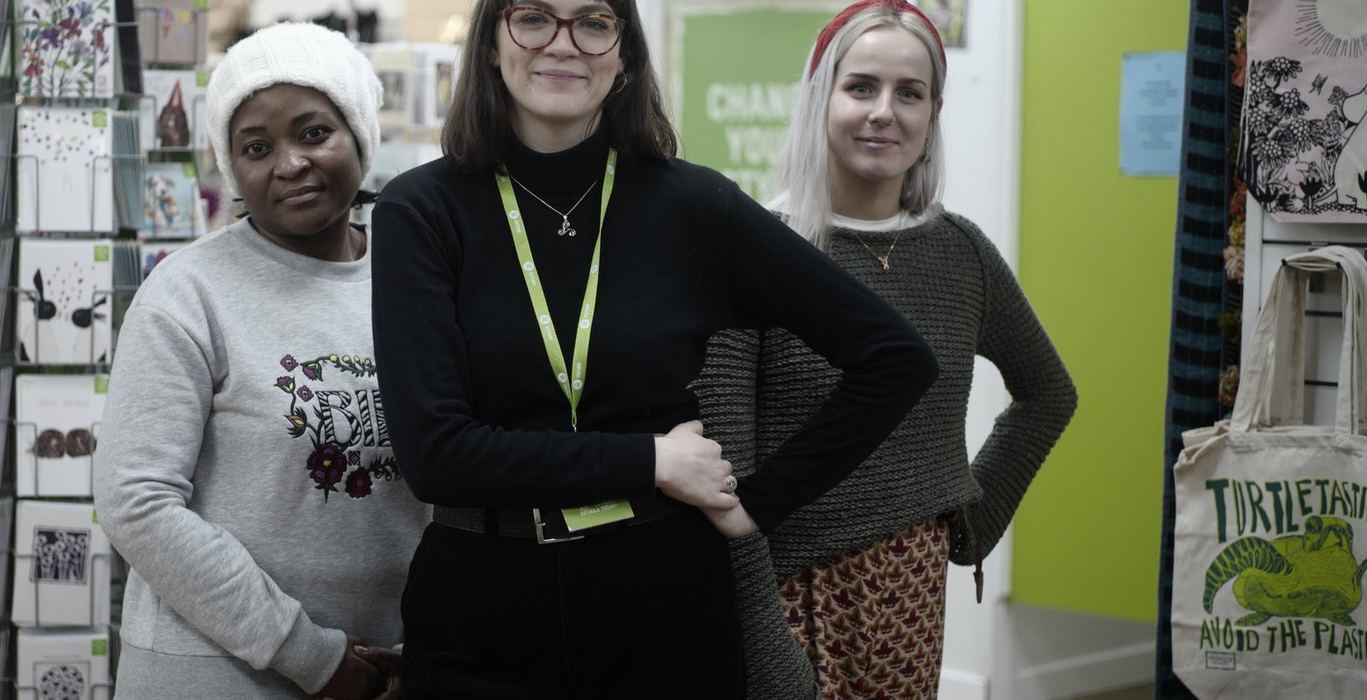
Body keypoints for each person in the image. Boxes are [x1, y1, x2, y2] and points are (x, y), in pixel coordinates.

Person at [368, 0, 941, 696]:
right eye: (534, 17)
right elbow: (436, 456)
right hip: (483, 604)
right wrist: (651, 459)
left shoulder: (692, 205)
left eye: (593, 22)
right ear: (492, 42)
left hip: (662, 601)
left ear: (625, 53)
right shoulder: (420, 211)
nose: (562, 43)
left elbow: (895, 357)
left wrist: (760, 501)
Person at [693, 1, 1079, 697]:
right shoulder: (753, 248)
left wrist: (970, 515)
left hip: (910, 592)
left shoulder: (962, 254)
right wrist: (765, 647)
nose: (884, 112)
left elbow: (1048, 393)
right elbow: (724, 479)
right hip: (783, 590)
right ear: (821, 98)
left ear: (933, 116)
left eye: (910, 93)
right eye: (861, 86)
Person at [95, 22, 420, 700]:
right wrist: (309, 654)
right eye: (255, 146)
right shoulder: (187, 292)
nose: (289, 163)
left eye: (313, 132)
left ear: (359, 132)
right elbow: (136, 501)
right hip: (218, 673)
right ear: (231, 165)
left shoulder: (420, 276)